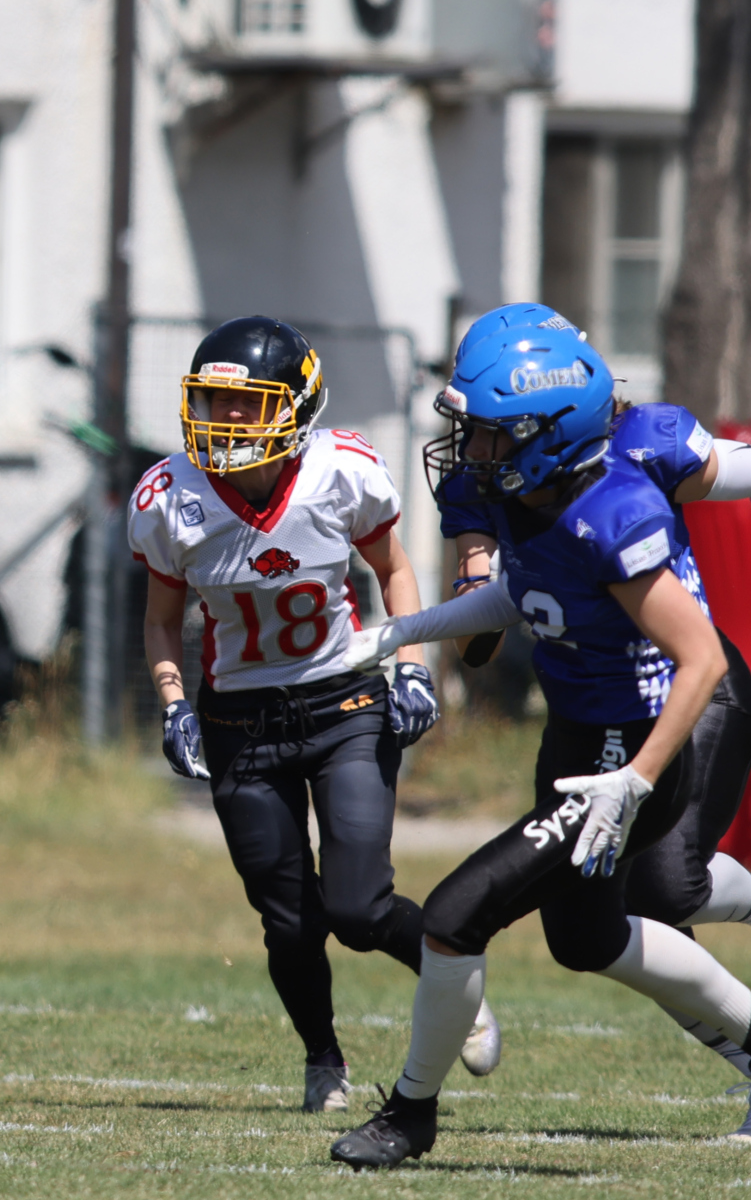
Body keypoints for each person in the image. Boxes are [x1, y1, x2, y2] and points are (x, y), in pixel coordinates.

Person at [329, 322, 751, 1170]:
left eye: (486, 431)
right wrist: (404, 632)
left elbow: (701, 658)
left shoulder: (611, 510)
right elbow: (516, 600)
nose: (467, 450)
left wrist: (636, 780)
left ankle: (409, 1113)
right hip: (581, 737)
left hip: (630, 748)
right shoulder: (530, 499)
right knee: (584, 939)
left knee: (453, 917)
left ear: (544, 436)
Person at [129, 315, 498, 1116]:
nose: (224, 421)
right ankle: (322, 1062)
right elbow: (162, 619)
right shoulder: (171, 496)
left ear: (296, 409)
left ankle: (458, 987)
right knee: (289, 921)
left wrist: (411, 666)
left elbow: (394, 572)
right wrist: (172, 702)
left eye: (246, 404)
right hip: (240, 723)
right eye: (214, 402)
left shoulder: (342, 473)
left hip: (345, 703)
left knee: (358, 907)